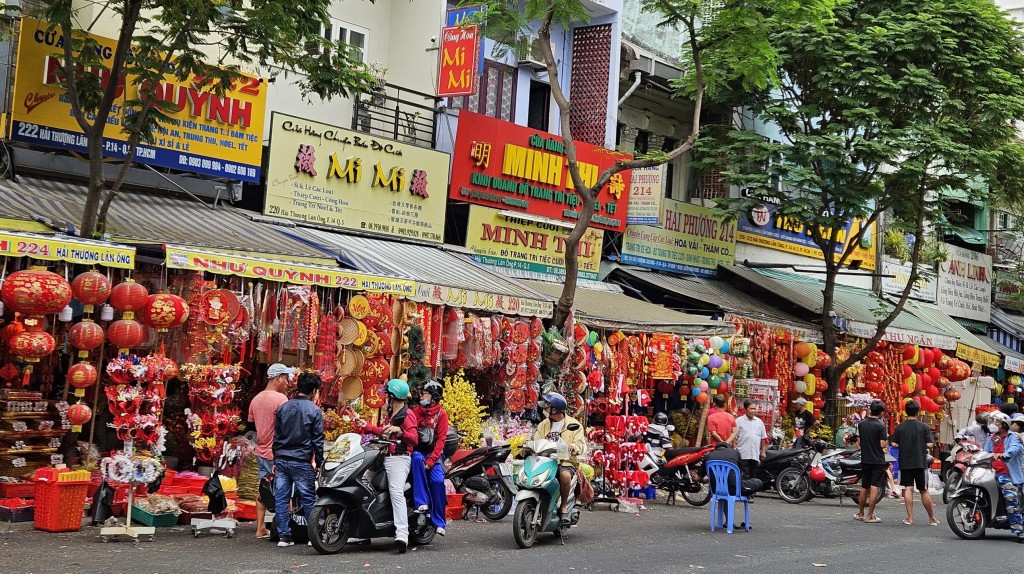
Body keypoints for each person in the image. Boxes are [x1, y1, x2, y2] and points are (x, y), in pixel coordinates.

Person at [360, 379, 419, 553]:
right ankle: (365, 529)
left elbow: (414, 438)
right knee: (363, 483)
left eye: (387, 395)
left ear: (393, 396)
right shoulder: (391, 414)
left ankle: (402, 535)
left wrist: (399, 431)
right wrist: (368, 427)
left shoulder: (407, 415)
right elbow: (384, 431)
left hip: (399, 459)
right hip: (383, 457)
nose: (385, 398)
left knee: (396, 492)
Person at [272, 372, 324, 548]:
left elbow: (277, 436)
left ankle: (284, 537)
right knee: (309, 499)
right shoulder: (314, 411)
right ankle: (313, 536)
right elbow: (317, 440)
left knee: (281, 498)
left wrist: (276, 458)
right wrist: (320, 461)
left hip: (282, 459)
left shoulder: (283, 408)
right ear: (314, 391)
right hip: (301, 460)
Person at [247, 363, 292, 539]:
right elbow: (287, 426)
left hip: (261, 450)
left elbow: (252, 422)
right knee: (284, 490)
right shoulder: (281, 400)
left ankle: (260, 528)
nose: (287, 382)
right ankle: (284, 528)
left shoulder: (256, 399)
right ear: (277, 377)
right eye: (286, 378)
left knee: (263, 488)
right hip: (277, 451)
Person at [533, 392, 586, 525]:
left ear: (554, 409)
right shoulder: (543, 425)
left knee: (565, 476)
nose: (544, 410)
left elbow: (581, 445)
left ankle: (563, 507)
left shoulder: (574, 425)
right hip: (545, 460)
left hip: (565, 462)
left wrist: (572, 447)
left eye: (547, 407)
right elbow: (536, 441)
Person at [889, 401, 939, 526]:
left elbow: (894, 443)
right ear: (918, 412)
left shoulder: (900, 427)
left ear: (905, 411)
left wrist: (903, 444)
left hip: (905, 461)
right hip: (920, 461)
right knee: (923, 490)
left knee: (908, 489)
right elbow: (930, 444)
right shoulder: (923, 427)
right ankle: (932, 518)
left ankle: (910, 518)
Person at [411, 380, 449, 536]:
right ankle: (422, 503)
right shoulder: (415, 412)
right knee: (416, 458)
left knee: (438, 481)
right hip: (418, 452)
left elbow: (441, 440)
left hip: (434, 455)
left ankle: (439, 521)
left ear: (433, 397)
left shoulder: (442, 414)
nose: (421, 396)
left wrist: (432, 460)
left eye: (424, 393)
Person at [984, 411, 1024, 542]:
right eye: (992, 422)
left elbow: (1014, 449)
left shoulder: (1013, 437)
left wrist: (1003, 454)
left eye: (996, 422)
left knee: (1010, 498)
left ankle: (1019, 531)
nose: (993, 424)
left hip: (1006, 474)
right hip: (991, 472)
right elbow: (985, 452)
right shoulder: (991, 438)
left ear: (1004, 424)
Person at [855, 400, 888, 523]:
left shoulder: (862, 424)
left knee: (864, 486)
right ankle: (870, 516)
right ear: (880, 412)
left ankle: (861, 513)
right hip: (877, 460)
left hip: (865, 458)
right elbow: (882, 444)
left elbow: (859, 442)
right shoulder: (880, 426)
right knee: (874, 487)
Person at [734, 399, 768, 483]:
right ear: (745, 410)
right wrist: (734, 448)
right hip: (743, 453)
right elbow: (734, 436)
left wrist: (763, 451)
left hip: (754, 453)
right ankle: (745, 493)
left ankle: (751, 494)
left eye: (754, 409)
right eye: (751, 409)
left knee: (753, 475)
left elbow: (763, 438)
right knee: (745, 474)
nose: (753, 411)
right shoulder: (739, 421)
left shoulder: (759, 422)